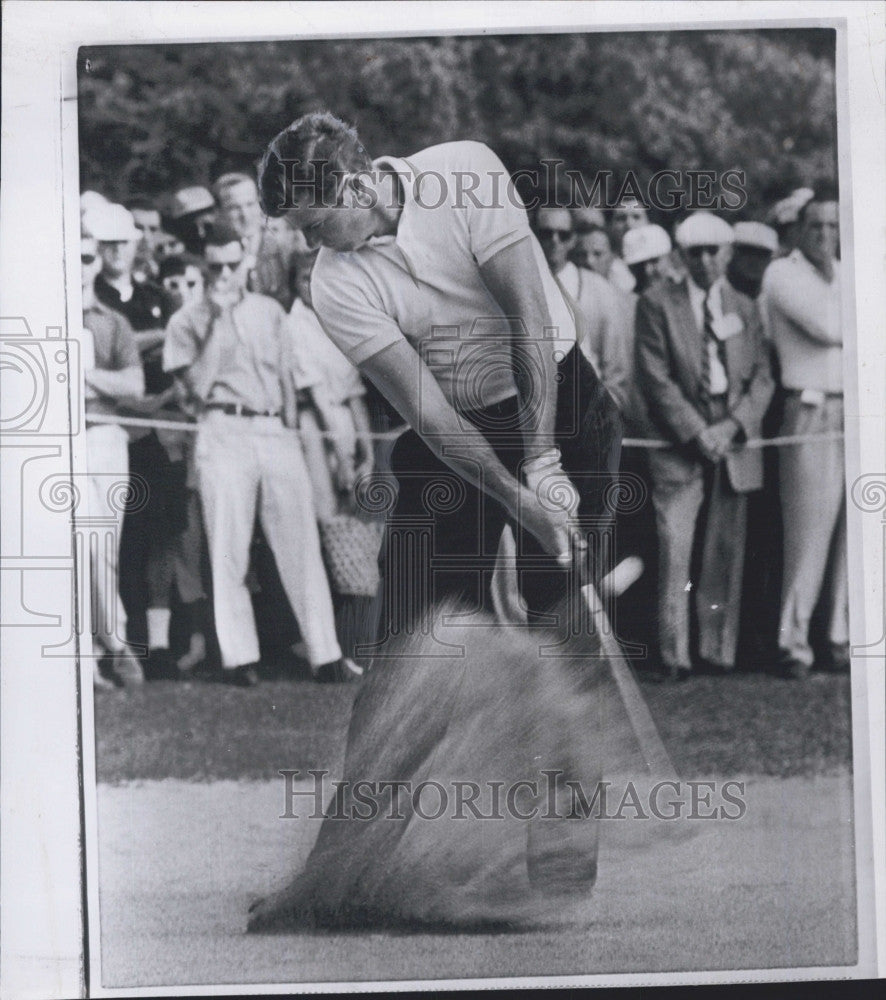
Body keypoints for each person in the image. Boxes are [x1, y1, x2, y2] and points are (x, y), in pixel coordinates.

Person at [248, 111, 621, 930]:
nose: (316, 243)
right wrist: (517, 490)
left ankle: (556, 883)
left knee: (560, 636)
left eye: (316, 223)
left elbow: (529, 317)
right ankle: (341, 874)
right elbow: (430, 416)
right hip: (455, 432)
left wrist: (546, 460)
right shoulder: (335, 280)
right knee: (408, 639)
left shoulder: (464, 168)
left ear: (349, 186)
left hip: (558, 397)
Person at [163, 224, 358, 686]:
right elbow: (196, 390)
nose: (225, 273)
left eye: (232, 263)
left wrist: (289, 428)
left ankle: (325, 653)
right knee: (227, 547)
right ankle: (239, 657)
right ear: (204, 266)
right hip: (221, 426)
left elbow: (289, 378)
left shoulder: (271, 311)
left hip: (273, 428)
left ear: (246, 259)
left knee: (300, 543)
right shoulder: (186, 320)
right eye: (215, 266)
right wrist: (219, 320)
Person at [635, 212, 774, 680]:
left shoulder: (745, 305)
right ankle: (675, 655)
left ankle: (717, 651)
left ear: (728, 253)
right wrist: (698, 432)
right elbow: (654, 378)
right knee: (676, 547)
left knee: (725, 549)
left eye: (714, 251)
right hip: (678, 441)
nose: (705, 261)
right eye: (695, 252)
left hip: (731, 437)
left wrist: (732, 426)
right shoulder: (657, 303)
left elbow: (763, 379)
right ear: (680, 256)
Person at [759, 185, 847, 678]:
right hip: (808, 411)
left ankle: (841, 639)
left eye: (833, 226)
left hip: (857, 409)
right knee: (808, 534)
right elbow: (827, 327)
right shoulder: (781, 273)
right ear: (800, 228)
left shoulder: (852, 273)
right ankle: (792, 645)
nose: (825, 235)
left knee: (854, 530)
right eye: (816, 225)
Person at [81, 235, 146, 688]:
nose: (80, 266)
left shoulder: (112, 321)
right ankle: (93, 653)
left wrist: (81, 376)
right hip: (60, 442)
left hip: (104, 438)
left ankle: (111, 643)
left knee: (103, 547)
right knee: (77, 548)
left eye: (87, 257)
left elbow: (133, 386)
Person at [532, 205, 629, 414]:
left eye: (563, 234)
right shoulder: (519, 285)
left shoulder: (600, 290)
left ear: (573, 239)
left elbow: (616, 374)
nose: (554, 241)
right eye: (546, 234)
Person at [213, 172, 297, 310]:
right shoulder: (214, 253)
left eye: (250, 204)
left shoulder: (283, 244)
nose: (245, 215)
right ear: (219, 213)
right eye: (234, 208)